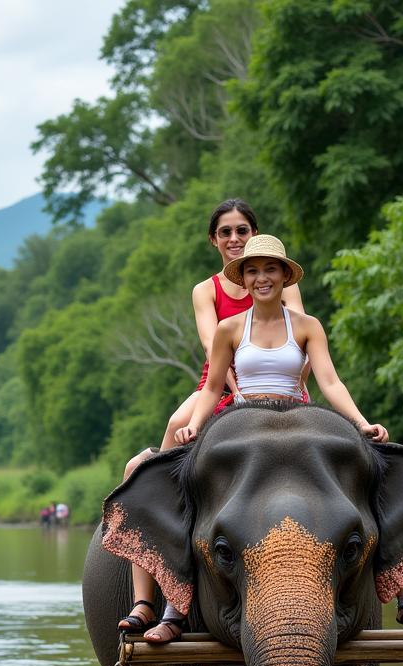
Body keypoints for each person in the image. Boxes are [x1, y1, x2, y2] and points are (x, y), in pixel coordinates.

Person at [169, 233, 403, 636]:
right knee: (189, 492)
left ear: (284, 276)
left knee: (382, 478)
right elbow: (211, 386)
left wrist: (362, 423)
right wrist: (194, 425)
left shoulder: (307, 326)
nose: (261, 278)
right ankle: (174, 605)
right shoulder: (229, 328)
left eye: (270, 269)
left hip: (298, 418)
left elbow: (330, 382)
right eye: (252, 271)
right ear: (244, 279)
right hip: (243, 423)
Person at [117, 199, 306, 641]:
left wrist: (292, 387)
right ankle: (147, 594)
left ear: (255, 235)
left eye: (242, 230)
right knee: (157, 461)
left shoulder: (282, 284)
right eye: (226, 232)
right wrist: (236, 395)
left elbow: (301, 338)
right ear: (214, 240)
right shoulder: (206, 290)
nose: (235, 239)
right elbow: (211, 344)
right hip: (219, 383)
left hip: (280, 385)